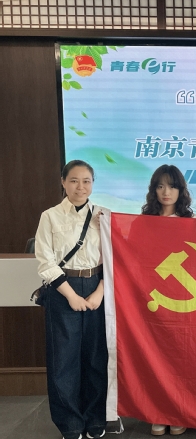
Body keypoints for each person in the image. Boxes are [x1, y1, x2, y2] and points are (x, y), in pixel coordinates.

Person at [35, 160, 109, 439]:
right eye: (74, 180)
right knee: (63, 360)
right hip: (62, 288)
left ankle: (95, 418)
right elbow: (45, 261)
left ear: (93, 184)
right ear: (63, 182)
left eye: (87, 181)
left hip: (97, 287)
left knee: (96, 357)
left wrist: (100, 291)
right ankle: (70, 423)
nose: (81, 187)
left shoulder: (103, 215)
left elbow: (116, 258)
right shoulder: (50, 216)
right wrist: (72, 296)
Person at [142, 165, 194, 435]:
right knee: (156, 356)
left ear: (180, 190)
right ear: (153, 190)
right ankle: (158, 412)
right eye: (160, 186)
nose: (166, 192)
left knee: (181, 358)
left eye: (172, 186)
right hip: (153, 300)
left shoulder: (192, 223)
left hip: (183, 302)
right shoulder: (142, 222)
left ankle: (179, 411)